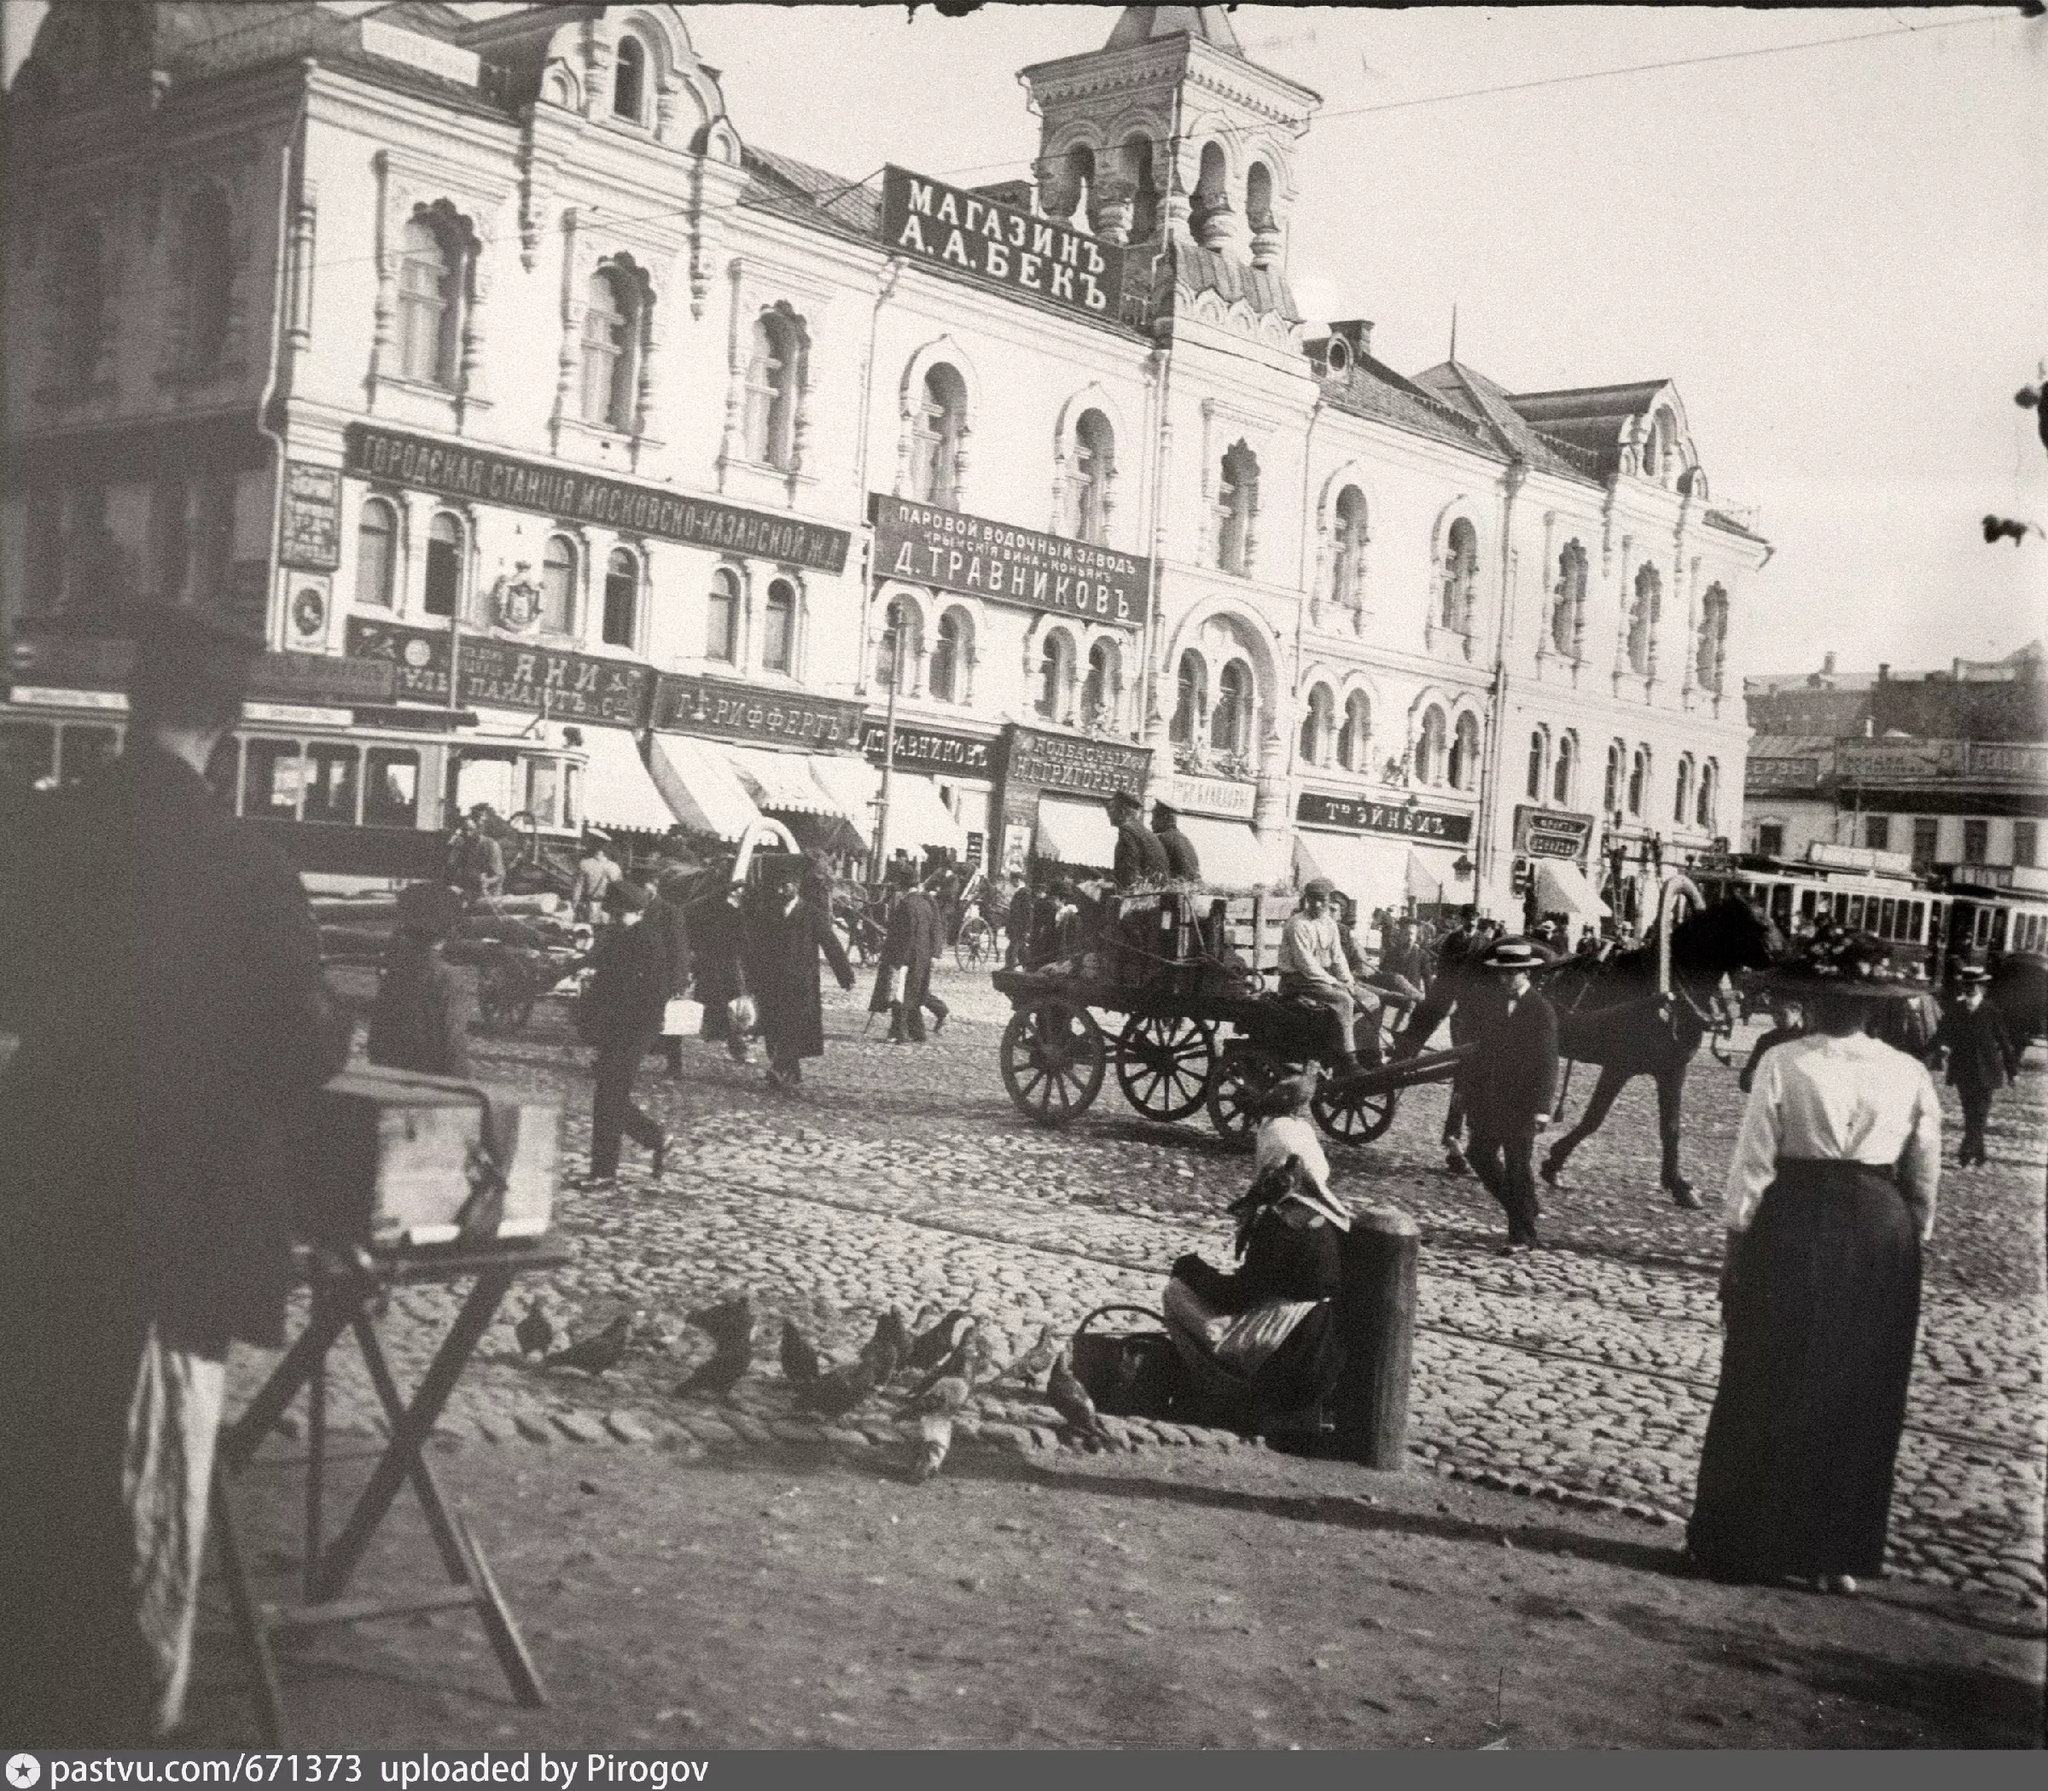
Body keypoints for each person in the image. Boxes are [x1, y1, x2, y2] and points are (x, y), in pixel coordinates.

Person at [0, 608, 350, 1744]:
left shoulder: (44, 836)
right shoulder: (249, 866)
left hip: (45, 1210)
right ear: (232, 730)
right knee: (151, 1492)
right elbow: (303, 1048)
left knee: (43, 1454)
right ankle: (115, 1729)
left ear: (130, 708)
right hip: (178, 1234)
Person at [1688, 942, 1941, 1594]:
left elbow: (1751, 1166)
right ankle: (1837, 1555)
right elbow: (1923, 1178)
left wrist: (1732, 1256)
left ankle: (1748, 1544)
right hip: (1882, 1231)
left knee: (1769, 1372)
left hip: (1794, 1220)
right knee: (1862, 1389)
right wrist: (1908, 1240)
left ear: (1816, 1000)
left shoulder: (1784, 1060)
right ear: (1875, 1007)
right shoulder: (1909, 1072)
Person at [1164, 1076, 1350, 1427]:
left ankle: (1227, 1394)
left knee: (1176, 1295)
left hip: (1291, 1356)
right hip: (1322, 1345)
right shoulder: (1328, 1219)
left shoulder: (1281, 1222)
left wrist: (1192, 1272)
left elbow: (1241, 1295)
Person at [1461, 938, 1561, 1250]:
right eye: (1501, 974)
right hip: (1491, 1100)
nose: (1503, 979)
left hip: (1523, 1104)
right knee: (1478, 1155)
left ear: (1525, 974)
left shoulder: (1541, 1010)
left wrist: (1542, 1109)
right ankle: (1523, 1210)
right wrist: (1464, 1091)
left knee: (1518, 1166)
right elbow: (1480, 1053)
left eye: (1510, 974)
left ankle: (1523, 1235)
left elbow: (1548, 1064)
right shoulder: (1494, 1005)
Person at [575, 880, 671, 1191]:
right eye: (613, 915)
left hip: (634, 1030)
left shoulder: (648, 942)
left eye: (620, 915)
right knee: (609, 1097)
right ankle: (655, 1138)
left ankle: (605, 1172)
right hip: (618, 1029)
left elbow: (646, 993)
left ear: (636, 912)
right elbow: (604, 976)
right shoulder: (622, 937)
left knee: (609, 1097)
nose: (614, 920)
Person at [743, 855, 855, 1092]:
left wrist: (845, 975)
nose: (781, 889)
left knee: (793, 1027)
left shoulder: (812, 914)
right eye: (779, 885)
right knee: (775, 1026)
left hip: (801, 982)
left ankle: (779, 1068)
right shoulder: (768, 912)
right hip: (772, 981)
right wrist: (752, 978)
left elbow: (831, 945)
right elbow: (757, 948)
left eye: (787, 885)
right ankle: (789, 1070)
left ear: (796, 887)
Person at [367, 880, 474, 1078]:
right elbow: (453, 1047)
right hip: (432, 1086)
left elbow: (376, 1040)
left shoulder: (395, 972)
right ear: (450, 930)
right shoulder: (448, 979)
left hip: (389, 1079)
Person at [1927, 966, 2018, 1167]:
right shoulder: (1956, 1009)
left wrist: (2012, 1072)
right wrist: (1924, 1051)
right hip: (1962, 1069)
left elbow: (2004, 1041)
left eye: (1973, 984)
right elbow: (1942, 1034)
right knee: (1970, 1111)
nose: (1969, 988)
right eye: (1966, 984)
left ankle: (1967, 1149)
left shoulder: (1991, 1010)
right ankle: (1980, 1151)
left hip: (1988, 1069)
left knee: (1981, 1111)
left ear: (1981, 985)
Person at [1278, 877, 1364, 1073]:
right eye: (1312, 899)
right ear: (1306, 899)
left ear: (1328, 899)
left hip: (1319, 979)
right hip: (1298, 980)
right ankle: (1349, 1059)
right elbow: (1305, 964)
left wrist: (1347, 980)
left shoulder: (1329, 924)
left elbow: (1338, 956)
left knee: (1369, 998)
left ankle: (1352, 1046)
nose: (1317, 904)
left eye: (1322, 900)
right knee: (1344, 1000)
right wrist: (1334, 983)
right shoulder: (1297, 924)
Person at [875, 868, 948, 1043]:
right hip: (922, 956)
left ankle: (898, 1033)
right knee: (914, 994)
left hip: (906, 956)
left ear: (901, 885)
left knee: (898, 994)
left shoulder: (906, 905)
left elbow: (902, 935)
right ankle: (917, 1031)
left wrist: (894, 959)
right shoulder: (925, 903)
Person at [647, 861, 696, 1078]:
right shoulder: (639, 909)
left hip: (665, 976)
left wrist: (678, 980)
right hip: (644, 973)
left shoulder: (671, 913)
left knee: (671, 1022)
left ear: (656, 887)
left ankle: (675, 1065)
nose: (645, 891)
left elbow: (680, 949)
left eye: (649, 886)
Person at [1108, 789, 1169, 889]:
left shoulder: (1127, 832)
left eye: (1111, 809)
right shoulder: (1146, 833)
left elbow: (1128, 874)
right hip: (1155, 892)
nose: (1108, 814)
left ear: (1122, 811)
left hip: (1141, 897)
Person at [446, 810, 505, 901]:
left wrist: (486, 881)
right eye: (465, 830)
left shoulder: (490, 845)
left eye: (471, 830)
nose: (468, 834)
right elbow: (451, 868)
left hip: (486, 896)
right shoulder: (462, 845)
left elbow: (499, 876)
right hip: (465, 891)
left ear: (479, 829)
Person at [571, 830, 621, 924]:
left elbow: (577, 890)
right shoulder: (615, 867)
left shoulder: (584, 864)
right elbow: (619, 891)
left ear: (593, 845)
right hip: (607, 909)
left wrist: (574, 907)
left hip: (589, 907)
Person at [1152, 800, 1203, 881]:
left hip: (1174, 890)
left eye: (1154, 818)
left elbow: (1156, 871)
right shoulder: (1184, 839)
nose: (1151, 823)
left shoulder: (1162, 839)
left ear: (1165, 818)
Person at [1004, 875, 1038, 970]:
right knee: (1016, 946)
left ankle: (1027, 966)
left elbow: (1012, 910)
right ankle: (1010, 967)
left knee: (1020, 947)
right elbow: (1028, 914)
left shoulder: (1020, 893)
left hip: (1013, 924)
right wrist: (1027, 930)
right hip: (1020, 926)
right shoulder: (1027, 896)